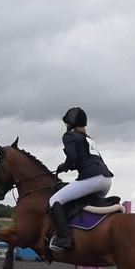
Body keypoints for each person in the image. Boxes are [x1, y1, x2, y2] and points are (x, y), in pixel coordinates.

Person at [48, 107, 114, 252]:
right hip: (106, 180)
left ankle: (64, 238)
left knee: (55, 200)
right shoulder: (88, 138)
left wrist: (64, 166)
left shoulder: (69, 136)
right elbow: (84, 159)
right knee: (79, 202)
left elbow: (72, 158)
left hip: (93, 178)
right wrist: (68, 165)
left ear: (70, 123)